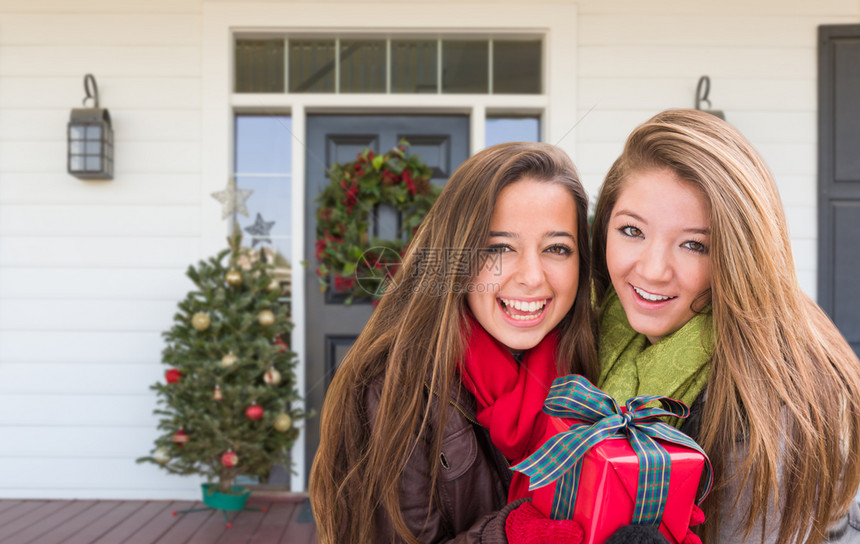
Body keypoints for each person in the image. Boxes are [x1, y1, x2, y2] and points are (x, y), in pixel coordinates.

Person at [590, 109, 860, 543]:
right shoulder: (599, 330)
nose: (654, 270)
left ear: (739, 257)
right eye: (632, 231)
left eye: (694, 244)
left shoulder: (764, 410)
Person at [309, 142, 598, 544]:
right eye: (498, 247)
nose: (532, 276)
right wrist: (509, 536)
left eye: (556, 248)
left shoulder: (594, 369)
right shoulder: (395, 388)